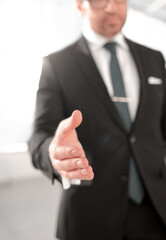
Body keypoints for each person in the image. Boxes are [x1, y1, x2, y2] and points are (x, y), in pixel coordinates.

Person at [28, 0, 166, 239]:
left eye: (119, 0)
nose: (111, 7)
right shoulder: (58, 65)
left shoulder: (154, 59)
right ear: (80, 5)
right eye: (101, 0)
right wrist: (55, 153)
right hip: (90, 214)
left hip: (154, 209)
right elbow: (39, 135)